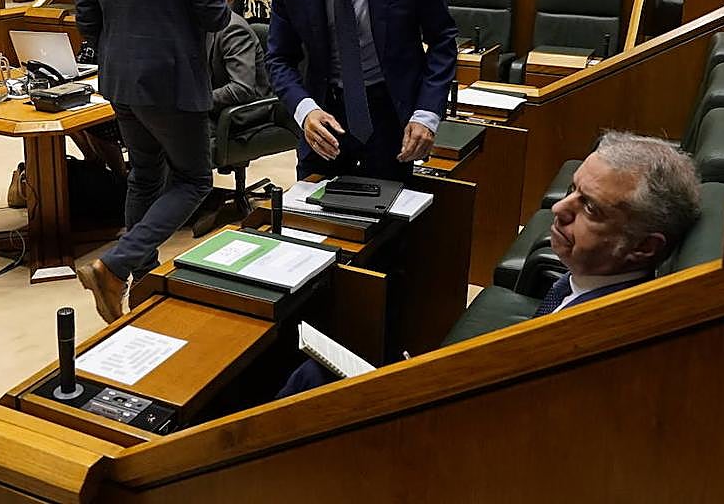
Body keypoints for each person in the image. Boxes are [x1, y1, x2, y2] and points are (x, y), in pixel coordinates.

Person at [277, 131, 702, 395]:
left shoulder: (593, 338)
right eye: (572, 190)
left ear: (644, 248)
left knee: (309, 383)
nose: (560, 210)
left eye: (590, 208)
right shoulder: (587, 283)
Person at [74, 0, 230, 324]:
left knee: (144, 173)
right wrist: (224, 0)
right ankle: (116, 265)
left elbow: (86, 17)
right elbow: (211, 15)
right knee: (193, 179)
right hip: (172, 81)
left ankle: (138, 279)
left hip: (119, 78)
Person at [266, 0, 458, 183]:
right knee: (315, 222)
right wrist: (304, 110)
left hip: (391, 115)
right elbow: (278, 57)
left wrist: (427, 113)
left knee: (389, 223)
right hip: (323, 117)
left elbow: (442, 39)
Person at [209, 11, 271, 113]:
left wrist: (199, 101)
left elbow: (241, 89)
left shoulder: (233, 28)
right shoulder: (199, 27)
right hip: (215, 107)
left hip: (240, 113)